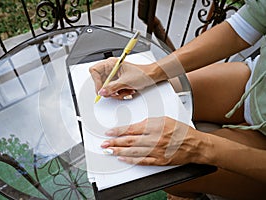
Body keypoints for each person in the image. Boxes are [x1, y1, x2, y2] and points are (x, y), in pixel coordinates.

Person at [89, 1, 266, 199]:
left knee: (171, 171)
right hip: (255, 83)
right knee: (154, 93)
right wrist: (152, 72)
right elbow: (245, 26)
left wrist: (202, 146)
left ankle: (184, 192)